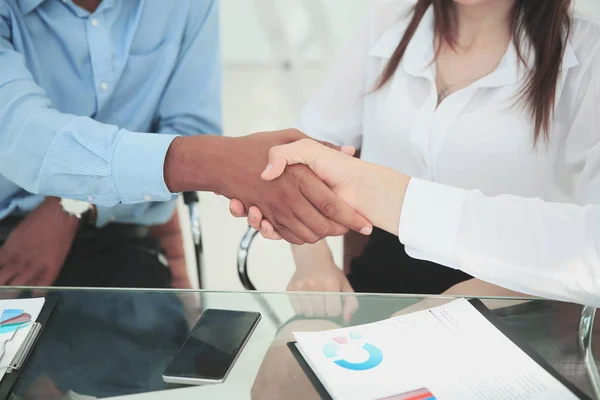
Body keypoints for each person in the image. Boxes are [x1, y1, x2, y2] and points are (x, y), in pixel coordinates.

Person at [231, 0, 600, 314]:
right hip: (382, 273)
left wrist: (472, 298)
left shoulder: (586, 46)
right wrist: (313, 258)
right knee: (281, 377)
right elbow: (305, 144)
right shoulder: (393, 16)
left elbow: (588, 247)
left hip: (514, 287)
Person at [0, 0, 371, 288]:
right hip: (7, 224)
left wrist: (73, 204)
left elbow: (190, 124)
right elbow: (18, 132)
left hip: (114, 229)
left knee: (155, 374)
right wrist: (217, 162)